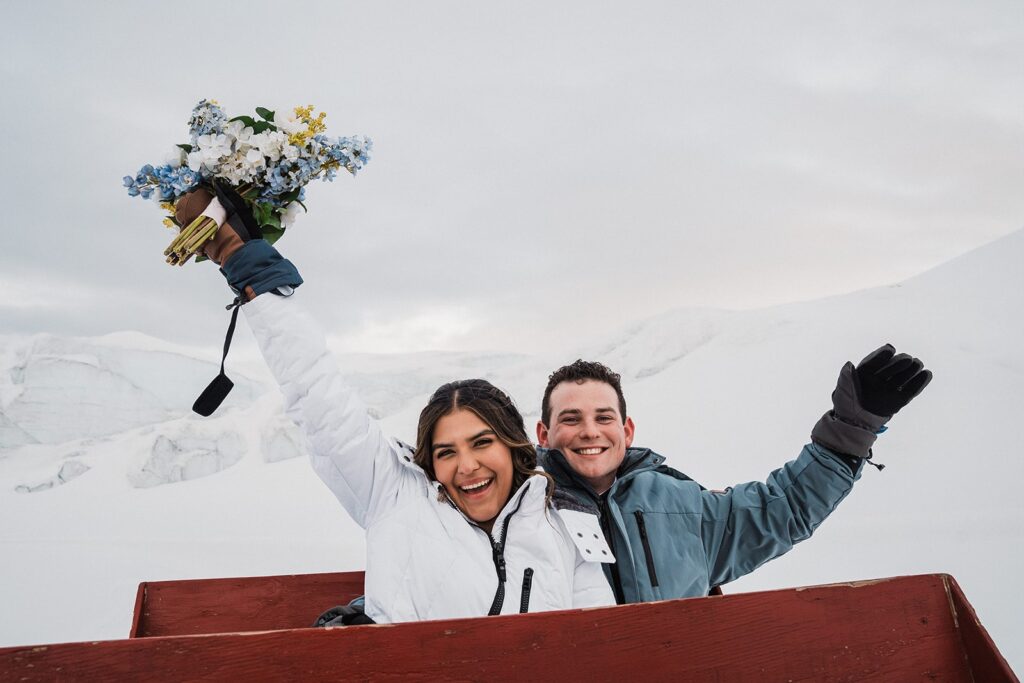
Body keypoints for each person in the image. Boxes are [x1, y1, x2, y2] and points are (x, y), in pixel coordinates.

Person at [177, 187, 615, 623]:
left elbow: (598, 641)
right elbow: (317, 395)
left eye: (482, 443)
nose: (467, 466)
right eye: (446, 452)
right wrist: (243, 259)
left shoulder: (563, 522)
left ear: (513, 447)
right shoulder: (393, 494)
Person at [536, 353, 931, 604]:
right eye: (571, 419)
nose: (590, 432)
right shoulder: (519, 510)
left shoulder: (683, 505)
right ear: (543, 434)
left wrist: (852, 428)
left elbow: (785, 508)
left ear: (628, 430)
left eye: (604, 418)